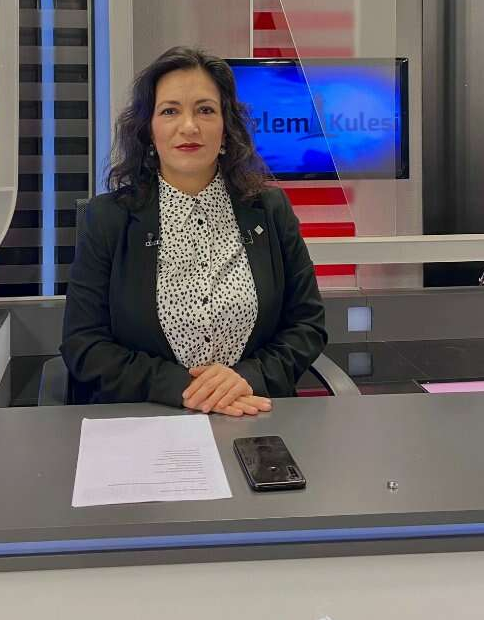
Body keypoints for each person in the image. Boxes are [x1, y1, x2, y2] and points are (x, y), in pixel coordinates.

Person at [60, 46, 327, 416]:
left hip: (251, 412)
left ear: (227, 127)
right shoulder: (108, 219)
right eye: (170, 111)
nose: (189, 126)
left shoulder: (270, 210)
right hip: (148, 417)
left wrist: (248, 377)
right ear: (148, 130)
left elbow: (307, 325)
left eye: (205, 110)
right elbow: (84, 345)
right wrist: (183, 388)